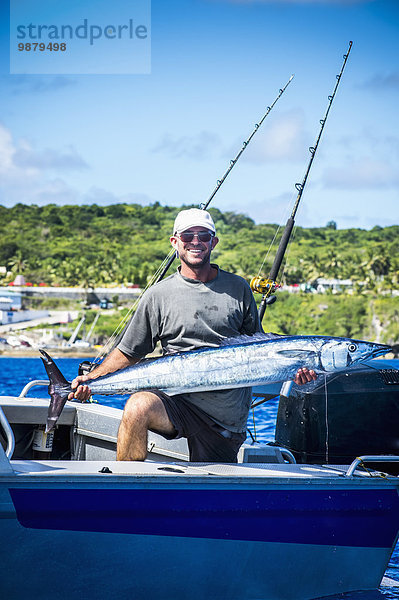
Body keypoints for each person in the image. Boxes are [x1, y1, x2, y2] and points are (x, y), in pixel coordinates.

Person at [69, 208, 316, 462]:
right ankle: (127, 491)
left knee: (215, 495)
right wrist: (91, 379)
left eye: (204, 236)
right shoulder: (157, 295)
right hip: (175, 403)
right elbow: (128, 352)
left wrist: (294, 370)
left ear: (214, 242)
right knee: (137, 406)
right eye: (188, 236)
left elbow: (259, 351)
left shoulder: (238, 288)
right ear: (175, 242)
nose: (195, 242)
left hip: (224, 417)